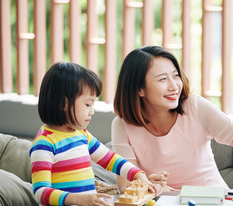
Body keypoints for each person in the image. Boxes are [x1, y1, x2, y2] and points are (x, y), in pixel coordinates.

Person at [111, 45, 233, 191]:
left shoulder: (196, 108)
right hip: (163, 202)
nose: (174, 86)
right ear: (140, 89)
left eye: (175, 76)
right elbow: (126, 186)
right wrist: (145, 184)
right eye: (163, 79)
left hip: (212, 199)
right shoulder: (122, 125)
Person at [29, 62, 161, 206]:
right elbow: (41, 192)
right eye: (87, 105)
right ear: (63, 103)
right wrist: (79, 199)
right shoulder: (45, 143)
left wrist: (138, 175)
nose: (92, 111)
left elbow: (111, 160)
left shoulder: (82, 135)